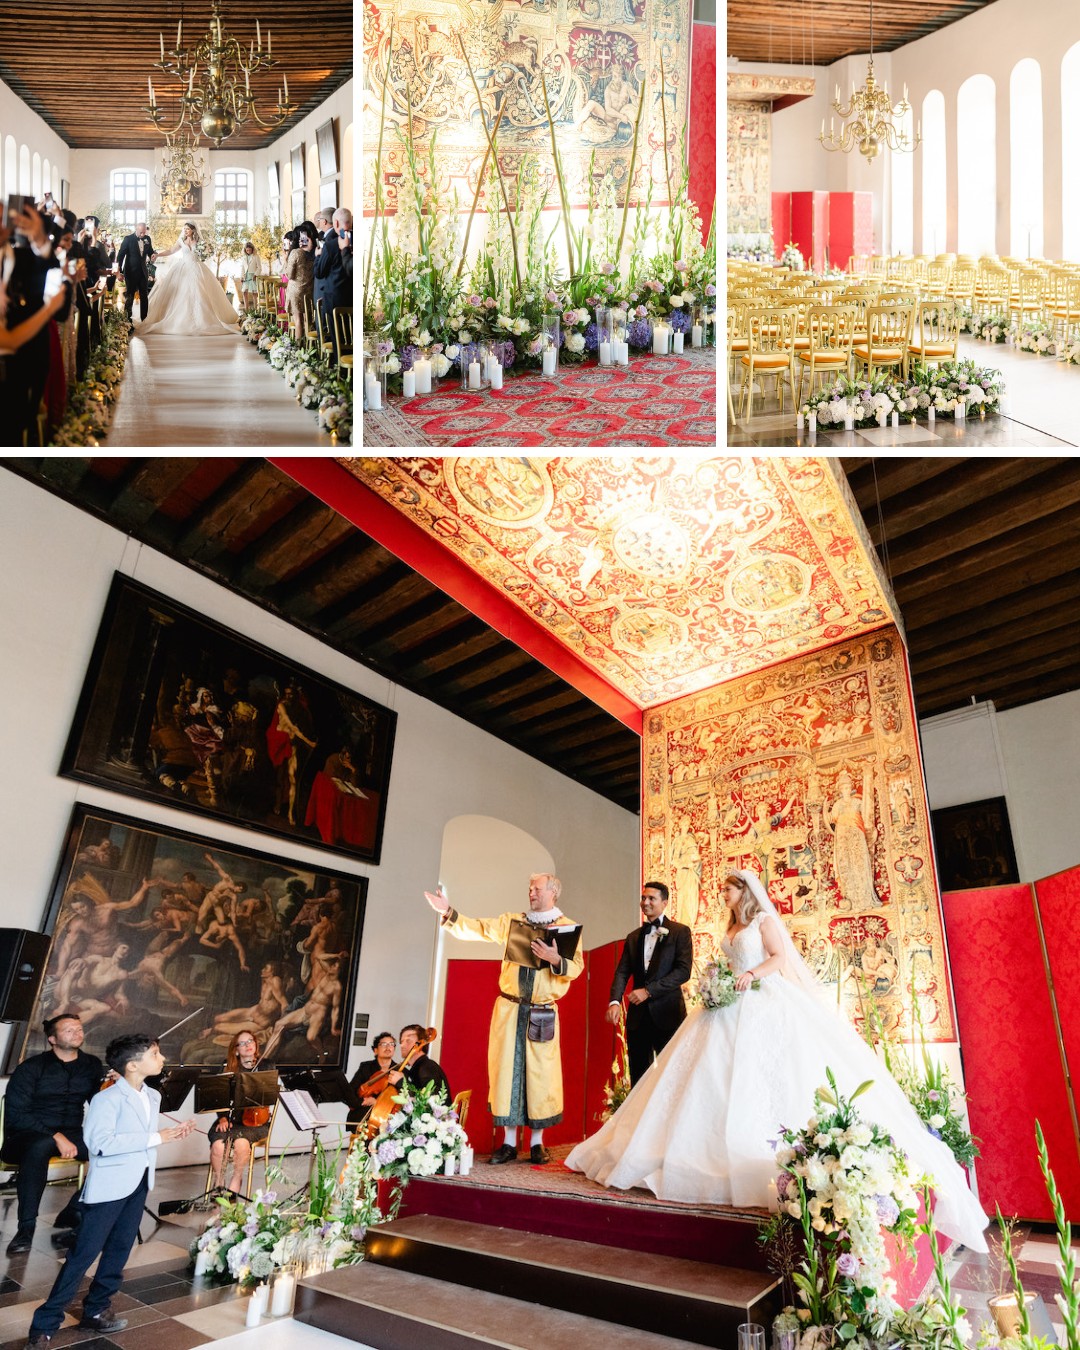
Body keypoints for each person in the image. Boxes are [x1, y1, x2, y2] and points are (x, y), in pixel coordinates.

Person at [565, 870, 989, 1254]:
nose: (723, 893)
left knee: (762, 1074)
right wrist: (723, 978)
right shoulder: (729, 926)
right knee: (705, 1078)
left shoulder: (763, 922)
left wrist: (751, 976)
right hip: (725, 1004)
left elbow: (779, 959)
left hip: (762, 1000)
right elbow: (726, 959)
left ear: (744, 891)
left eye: (728, 888)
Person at [25, 1033, 196, 1348]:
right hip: (108, 1189)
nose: (162, 1059)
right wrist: (157, 1138)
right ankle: (44, 1326)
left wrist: (169, 1134)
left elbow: (142, 1136)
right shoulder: (106, 1099)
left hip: (139, 1182)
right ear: (132, 1065)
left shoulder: (152, 1096)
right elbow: (99, 1145)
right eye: (155, 1053)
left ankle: (97, 1310)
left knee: (119, 1251)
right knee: (82, 1256)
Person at [425, 874, 583, 1165]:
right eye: (529, 888)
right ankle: (509, 1144)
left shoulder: (566, 928)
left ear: (553, 892)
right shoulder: (513, 922)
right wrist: (449, 912)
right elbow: (480, 928)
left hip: (542, 1010)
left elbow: (575, 967)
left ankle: (537, 1144)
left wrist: (554, 958)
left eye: (537, 888)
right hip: (510, 1010)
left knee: (541, 1075)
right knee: (507, 1073)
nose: (531, 892)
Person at [2, 1013, 102, 1255]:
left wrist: (115, 1087)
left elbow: (99, 1103)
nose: (77, 1033)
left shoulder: (91, 1065)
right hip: (25, 1136)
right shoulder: (31, 1068)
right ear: (52, 1039)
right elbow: (17, 1114)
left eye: (79, 1029)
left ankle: (73, 1209)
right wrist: (56, 1135)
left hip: (71, 1132)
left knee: (108, 1147)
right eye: (69, 1030)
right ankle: (25, 1229)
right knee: (40, 1145)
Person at [606, 880, 693, 1084]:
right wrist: (614, 1001)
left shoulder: (680, 932)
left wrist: (648, 991)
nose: (645, 902)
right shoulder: (633, 937)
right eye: (643, 898)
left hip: (668, 1015)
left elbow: (683, 971)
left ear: (664, 903)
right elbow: (622, 972)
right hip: (638, 1019)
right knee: (639, 1078)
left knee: (672, 1075)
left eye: (651, 898)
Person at [137, 223, 238, 336]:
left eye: (187, 229)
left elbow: (207, 252)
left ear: (193, 230)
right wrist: (158, 255)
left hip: (197, 267)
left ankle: (204, 319)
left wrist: (206, 253)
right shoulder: (181, 241)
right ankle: (180, 319)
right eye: (184, 229)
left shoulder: (200, 242)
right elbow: (171, 251)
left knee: (201, 291)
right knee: (181, 292)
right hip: (183, 268)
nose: (185, 231)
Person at [208, 1030, 272, 1193]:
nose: (247, 1045)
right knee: (218, 1146)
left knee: (241, 1144)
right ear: (236, 1050)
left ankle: (236, 1180)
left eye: (250, 1041)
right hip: (230, 1119)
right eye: (242, 1043)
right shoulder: (228, 1067)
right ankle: (219, 1183)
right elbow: (219, 1097)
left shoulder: (265, 1065)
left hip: (256, 1121)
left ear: (256, 1045)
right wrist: (222, 1118)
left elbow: (271, 1096)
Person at [313, 207, 352, 355]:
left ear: (336, 223)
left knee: (339, 342)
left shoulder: (330, 245)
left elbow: (319, 272)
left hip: (335, 300)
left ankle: (340, 372)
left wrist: (317, 256)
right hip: (352, 299)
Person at [391, 1024, 450, 1100]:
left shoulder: (427, 1067)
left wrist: (401, 1083)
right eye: (402, 1041)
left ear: (420, 1044)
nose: (402, 1045)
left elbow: (429, 1102)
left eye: (408, 1041)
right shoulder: (417, 1068)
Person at [115, 221, 156, 327]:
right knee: (130, 296)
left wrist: (153, 255)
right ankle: (127, 321)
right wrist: (118, 272)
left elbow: (150, 251)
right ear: (136, 229)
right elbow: (120, 256)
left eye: (144, 232)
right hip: (130, 272)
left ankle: (144, 320)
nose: (143, 235)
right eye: (141, 232)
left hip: (143, 272)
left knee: (144, 296)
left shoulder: (147, 239)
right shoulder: (128, 239)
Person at [284, 222, 316, 339]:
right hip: (309, 289)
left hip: (296, 291)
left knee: (298, 321)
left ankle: (298, 347)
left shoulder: (295, 252)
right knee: (309, 319)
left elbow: (289, 274)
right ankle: (309, 347)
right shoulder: (313, 252)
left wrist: (285, 259)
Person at [238, 240, 261, 312]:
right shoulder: (244, 257)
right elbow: (242, 267)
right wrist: (241, 276)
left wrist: (255, 275)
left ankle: (255, 309)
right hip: (245, 277)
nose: (248, 251)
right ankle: (246, 309)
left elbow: (259, 267)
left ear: (252, 249)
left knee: (254, 293)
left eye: (249, 250)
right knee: (244, 292)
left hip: (252, 276)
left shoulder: (256, 256)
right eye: (247, 250)